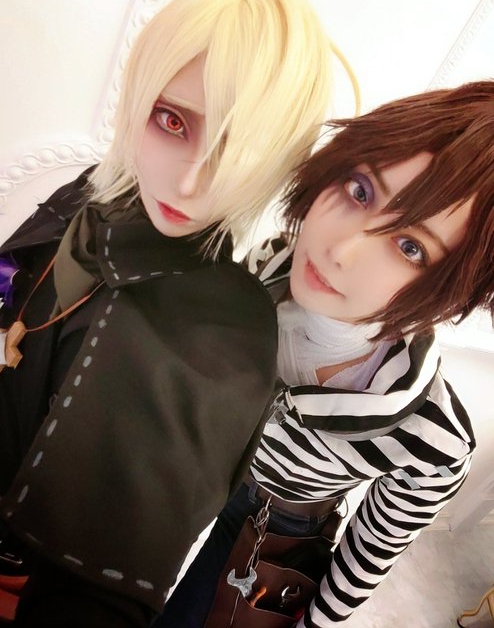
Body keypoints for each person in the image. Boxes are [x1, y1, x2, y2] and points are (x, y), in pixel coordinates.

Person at [0, 0, 347, 627]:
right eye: (172, 120)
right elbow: (6, 291)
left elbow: (100, 591)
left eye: (239, 147)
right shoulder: (95, 192)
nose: (189, 181)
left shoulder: (218, 331)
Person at [155, 80, 494, 627]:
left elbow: (361, 565)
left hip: (271, 527)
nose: (341, 249)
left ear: (455, 291)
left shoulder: (433, 440)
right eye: (361, 191)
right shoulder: (248, 271)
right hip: (182, 466)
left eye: (410, 247)